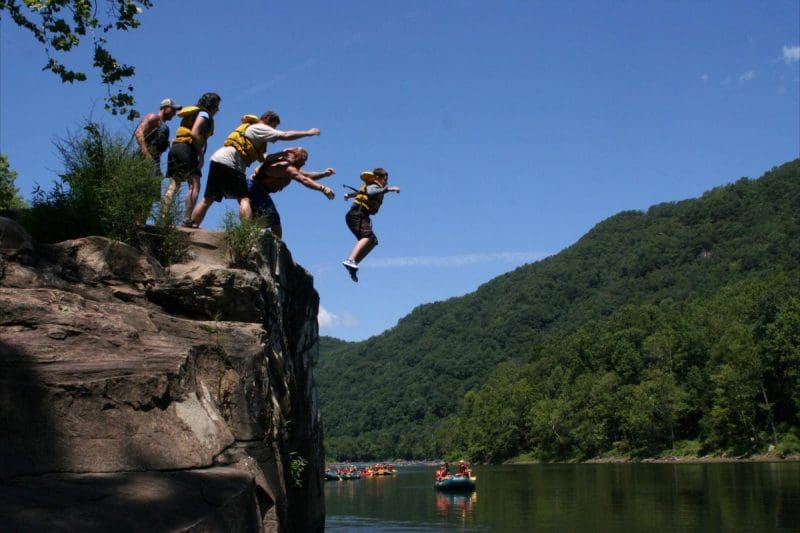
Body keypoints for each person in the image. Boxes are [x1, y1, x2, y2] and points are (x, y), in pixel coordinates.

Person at [188, 111, 325, 227]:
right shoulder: (260, 127)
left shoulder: (252, 131)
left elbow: (262, 159)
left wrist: (282, 153)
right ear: (267, 120)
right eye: (274, 126)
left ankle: (192, 224)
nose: (273, 130)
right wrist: (308, 133)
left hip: (218, 158)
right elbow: (285, 135)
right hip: (233, 163)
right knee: (244, 199)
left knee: (208, 198)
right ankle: (246, 232)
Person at [237, 147, 335, 238]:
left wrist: (324, 174)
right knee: (246, 200)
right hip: (252, 185)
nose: (304, 164)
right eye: (303, 160)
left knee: (275, 222)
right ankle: (246, 231)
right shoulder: (284, 166)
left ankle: (277, 249)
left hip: (261, 191)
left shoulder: (292, 169)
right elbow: (304, 180)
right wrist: (323, 188)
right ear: (295, 157)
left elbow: (306, 175)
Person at [163, 92, 221, 225]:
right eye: (217, 106)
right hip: (187, 149)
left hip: (175, 148)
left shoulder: (192, 113)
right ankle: (187, 218)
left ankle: (163, 217)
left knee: (174, 184)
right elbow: (194, 133)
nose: (218, 109)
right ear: (212, 105)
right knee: (194, 184)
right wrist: (200, 155)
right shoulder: (204, 114)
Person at [342, 168, 400, 282]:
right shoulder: (373, 185)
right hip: (357, 214)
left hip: (361, 215)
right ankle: (350, 260)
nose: (386, 182)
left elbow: (361, 193)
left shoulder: (374, 187)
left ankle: (353, 264)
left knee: (372, 241)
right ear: (377, 178)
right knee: (367, 237)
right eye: (385, 179)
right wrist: (388, 189)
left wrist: (349, 195)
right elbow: (370, 192)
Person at [134, 98, 181, 176]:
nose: (174, 113)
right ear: (164, 107)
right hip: (143, 159)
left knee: (153, 185)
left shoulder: (164, 126)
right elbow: (138, 133)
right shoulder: (153, 117)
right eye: (172, 109)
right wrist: (146, 154)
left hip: (155, 160)